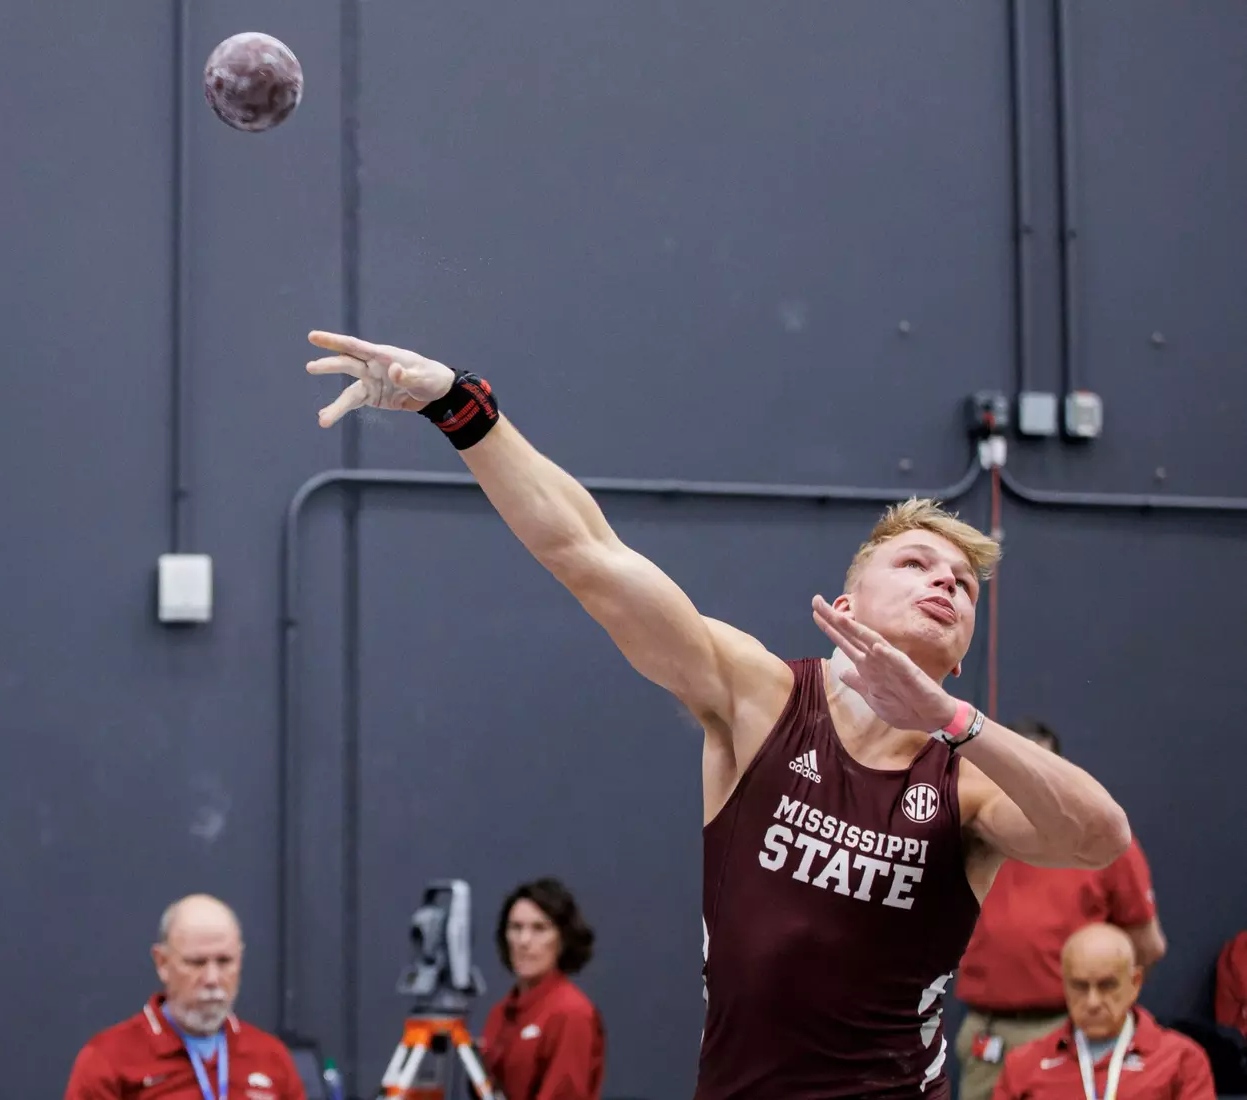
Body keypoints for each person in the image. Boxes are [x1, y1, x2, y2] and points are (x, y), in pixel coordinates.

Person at [301, 331, 1131, 1098]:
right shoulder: (762, 696)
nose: (946, 582)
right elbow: (588, 555)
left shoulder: (967, 778)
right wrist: (459, 404)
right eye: (917, 562)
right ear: (848, 602)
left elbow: (1100, 837)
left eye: (963, 583)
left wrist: (955, 719)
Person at [955, 719, 1167, 1100]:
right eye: (1011, 770)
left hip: (1065, 1034)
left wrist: (1092, 1011)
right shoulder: (969, 836)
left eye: (1036, 772)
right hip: (984, 1033)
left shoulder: (1102, 843)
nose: (1023, 786)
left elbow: (1145, 947)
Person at [64, 894, 307, 1100]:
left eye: (224, 961)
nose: (212, 978)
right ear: (162, 963)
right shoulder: (109, 1059)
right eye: (196, 962)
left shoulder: (271, 1056)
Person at [991, 923, 1214, 1099]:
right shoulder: (1023, 1064)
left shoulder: (1181, 1060)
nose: (1093, 1001)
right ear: (1064, 986)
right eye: (1080, 986)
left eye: (1107, 985)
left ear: (1135, 983)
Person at [481, 877, 606, 1100]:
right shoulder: (500, 1013)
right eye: (516, 928)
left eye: (539, 928)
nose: (524, 940)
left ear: (563, 939)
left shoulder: (572, 1013)